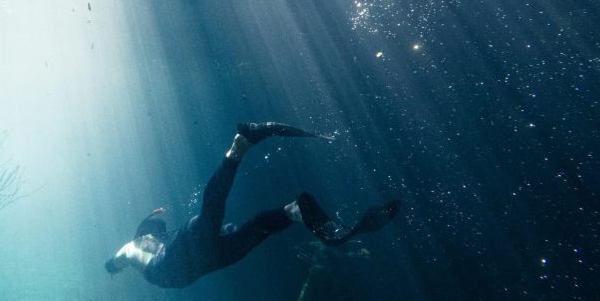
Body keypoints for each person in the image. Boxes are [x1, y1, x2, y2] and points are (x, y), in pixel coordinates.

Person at [105, 122, 401, 288]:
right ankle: (290, 208)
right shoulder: (140, 242)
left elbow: (113, 264)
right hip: (182, 264)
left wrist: (113, 269)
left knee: (228, 227)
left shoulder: (137, 248)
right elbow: (118, 260)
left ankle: (247, 157)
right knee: (223, 225)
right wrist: (114, 265)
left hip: (180, 270)